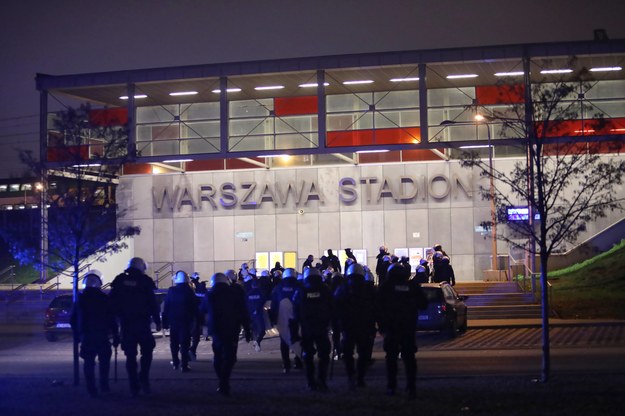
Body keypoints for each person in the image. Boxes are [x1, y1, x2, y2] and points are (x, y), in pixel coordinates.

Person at [109, 257, 161, 397]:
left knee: (130, 356)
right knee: (147, 352)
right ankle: (143, 378)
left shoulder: (119, 281)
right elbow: (152, 303)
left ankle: (134, 385)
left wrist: (113, 325)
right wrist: (157, 321)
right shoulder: (145, 281)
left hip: (126, 325)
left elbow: (112, 304)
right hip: (142, 323)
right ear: (141, 267)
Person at [376, 262, 428, 399]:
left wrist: (381, 326)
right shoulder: (411, 286)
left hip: (391, 328)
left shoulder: (386, 287)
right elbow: (423, 303)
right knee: (409, 358)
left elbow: (378, 308)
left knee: (391, 358)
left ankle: (391, 386)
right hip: (407, 327)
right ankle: (411, 387)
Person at [201, 272, 251, 397]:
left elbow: (201, 311)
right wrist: (247, 329)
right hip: (232, 329)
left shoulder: (210, 294)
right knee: (230, 357)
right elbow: (243, 312)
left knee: (218, 356)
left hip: (216, 330)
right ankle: (224, 382)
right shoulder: (234, 293)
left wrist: (203, 327)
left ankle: (222, 381)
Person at [70, 270, 119, 398]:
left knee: (88, 363)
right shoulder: (104, 299)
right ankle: (104, 385)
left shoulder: (80, 299)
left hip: (87, 335)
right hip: (102, 335)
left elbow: (73, 319)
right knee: (104, 361)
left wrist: (76, 335)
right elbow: (112, 318)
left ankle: (91, 388)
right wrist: (115, 334)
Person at [334, 263, 377, 390]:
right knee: (363, 353)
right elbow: (376, 307)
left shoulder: (343, 288)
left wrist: (337, 325)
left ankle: (351, 375)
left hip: (347, 326)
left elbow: (335, 307)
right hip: (364, 325)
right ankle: (360, 378)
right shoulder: (368, 289)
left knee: (347, 353)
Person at [293, 267, 334, 391]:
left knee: (308, 355)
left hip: (307, 328)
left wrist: (296, 327)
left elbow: (295, 310)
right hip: (322, 327)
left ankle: (310, 382)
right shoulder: (325, 289)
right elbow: (332, 307)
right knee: (324, 354)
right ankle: (322, 380)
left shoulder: (301, 290)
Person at [162, 270, 198, 372]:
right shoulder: (190, 291)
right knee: (185, 343)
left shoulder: (171, 290)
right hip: (186, 321)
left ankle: (175, 362)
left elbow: (166, 306)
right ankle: (184, 365)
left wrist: (164, 321)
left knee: (174, 342)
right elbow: (194, 307)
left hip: (174, 320)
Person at [270, 267, 303, 373]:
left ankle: (286, 364)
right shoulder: (299, 286)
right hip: (297, 317)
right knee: (298, 338)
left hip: (282, 318)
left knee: (284, 341)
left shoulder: (278, 288)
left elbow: (273, 304)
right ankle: (298, 361)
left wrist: (273, 318)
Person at [245, 269, 268, 352]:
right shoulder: (260, 293)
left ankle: (256, 342)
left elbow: (246, 304)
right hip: (259, 314)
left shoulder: (248, 294)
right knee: (262, 330)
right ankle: (257, 342)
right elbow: (263, 301)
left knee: (255, 330)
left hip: (251, 314)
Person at [189, 272, 207, 360]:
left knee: (193, 335)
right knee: (195, 335)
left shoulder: (193, 289)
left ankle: (190, 352)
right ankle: (191, 351)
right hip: (196, 315)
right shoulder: (200, 288)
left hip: (192, 315)